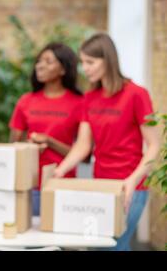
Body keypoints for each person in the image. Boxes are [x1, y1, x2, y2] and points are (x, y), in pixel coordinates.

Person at [54, 33, 160, 251]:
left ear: (108, 60)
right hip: (101, 183)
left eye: (90, 62)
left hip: (131, 186)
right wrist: (59, 171)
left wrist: (132, 180)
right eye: (83, 62)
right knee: (101, 245)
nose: (85, 68)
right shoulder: (90, 98)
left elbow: (155, 146)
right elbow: (83, 145)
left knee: (115, 246)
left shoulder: (136, 94)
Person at [9, 43, 83, 215]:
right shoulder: (26, 101)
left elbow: (84, 155)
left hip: (63, 185)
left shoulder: (79, 103)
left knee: (60, 241)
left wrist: (49, 142)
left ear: (63, 69)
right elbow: (12, 147)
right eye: (39, 61)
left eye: (48, 61)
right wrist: (30, 146)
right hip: (29, 185)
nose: (40, 65)